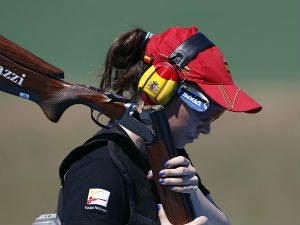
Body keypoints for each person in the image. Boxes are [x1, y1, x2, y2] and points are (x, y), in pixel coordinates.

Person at [57, 26, 262, 225]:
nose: (207, 127)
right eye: (205, 110)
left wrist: (194, 193)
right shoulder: (99, 167)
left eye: (217, 114)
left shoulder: (167, 155)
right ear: (161, 89)